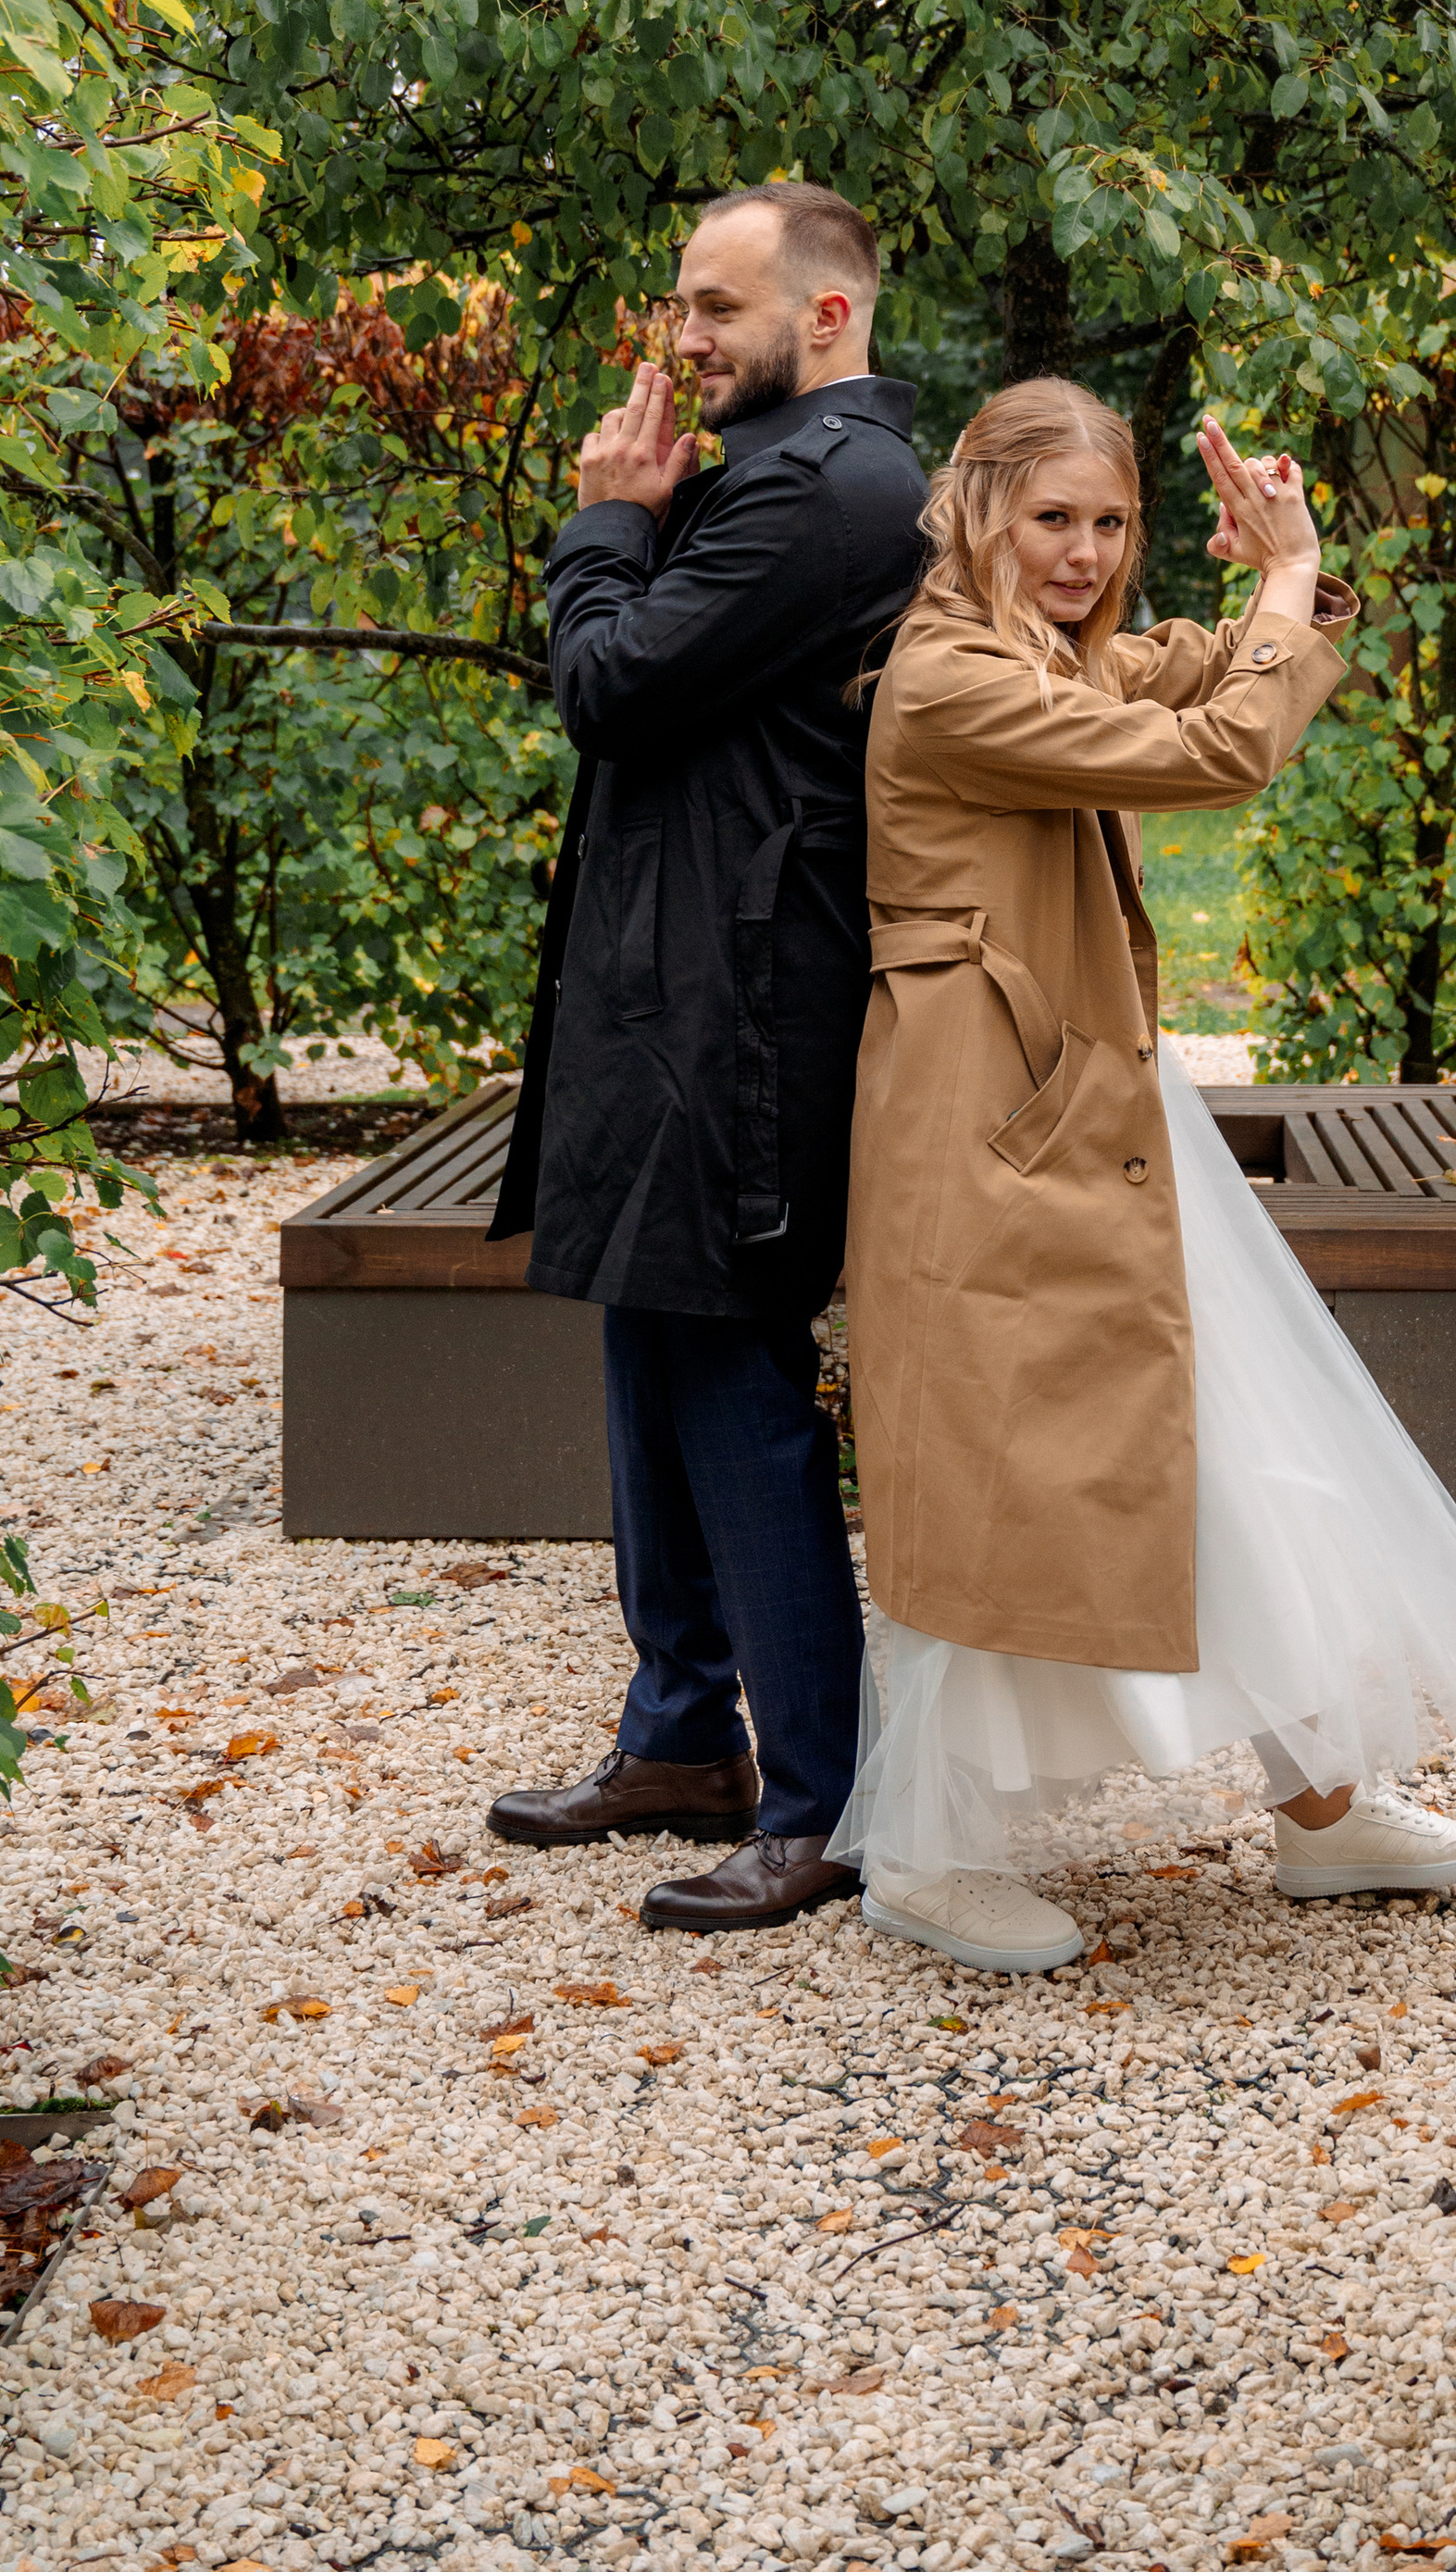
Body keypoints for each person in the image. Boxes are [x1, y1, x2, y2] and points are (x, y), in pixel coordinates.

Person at [834, 380, 1456, 1974]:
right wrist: (1284, 585)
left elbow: (1200, 667)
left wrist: (1288, 576)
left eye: (1110, 523)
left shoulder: (1047, 652)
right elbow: (1222, 745)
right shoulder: (953, 677)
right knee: (1007, 1472)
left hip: (1083, 1106)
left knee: (1220, 1433)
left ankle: (1322, 1802)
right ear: (975, 506)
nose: (1085, 553)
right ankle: (928, 1853)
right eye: (1053, 518)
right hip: (990, 1126)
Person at [484, 180, 928, 1934]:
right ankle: (681, 1736)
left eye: (717, 307)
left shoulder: (829, 490)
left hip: (741, 1010)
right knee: (648, 1340)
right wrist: (652, 521)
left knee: (732, 1372)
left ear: (827, 315)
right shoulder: (772, 482)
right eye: (680, 303)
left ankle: (822, 1796)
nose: (683, 338)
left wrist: (607, 521)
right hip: (676, 984)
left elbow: (608, 687)